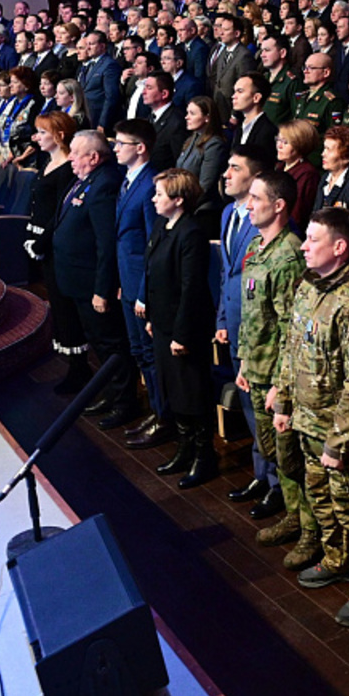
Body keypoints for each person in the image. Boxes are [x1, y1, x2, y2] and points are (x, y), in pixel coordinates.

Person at [272, 208, 349, 623]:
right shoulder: (308, 286)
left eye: (313, 240)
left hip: (337, 433)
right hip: (304, 419)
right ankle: (335, 558)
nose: (303, 245)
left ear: (339, 247)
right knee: (320, 498)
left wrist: (339, 440)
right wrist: (283, 402)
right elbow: (291, 345)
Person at [239, 172, 310, 550]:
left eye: (256, 198)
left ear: (279, 205)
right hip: (257, 368)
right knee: (272, 452)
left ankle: (304, 526)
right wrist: (243, 362)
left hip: (277, 376)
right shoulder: (256, 246)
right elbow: (252, 314)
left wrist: (282, 385)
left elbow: (290, 327)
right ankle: (292, 514)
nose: (248, 205)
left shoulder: (289, 256)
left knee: (291, 458)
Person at [214, 146, 282, 516]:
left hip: (262, 335)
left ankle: (276, 484)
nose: (226, 174)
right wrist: (223, 320)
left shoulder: (273, 234)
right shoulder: (228, 213)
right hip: (236, 323)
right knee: (247, 404)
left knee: (263, 413)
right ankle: (261, 474)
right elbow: (227, 274)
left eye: (235, 168)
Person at [51, 130, 138, 420]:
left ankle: (124, 403)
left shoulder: (104, 185)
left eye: (76, 153)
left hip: (92, 284)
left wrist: (102, 289)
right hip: (76, 281)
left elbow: (105, 243)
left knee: (110, 343)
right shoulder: (86, 181)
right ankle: (111, 395)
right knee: (97, 342)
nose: (70, 158)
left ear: (94, 157)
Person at [141, 169, 217, 484]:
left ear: (179, 200)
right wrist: (151, 318)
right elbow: (152, 270)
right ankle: (185, 449)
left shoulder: (191, 233)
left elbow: (192, 288)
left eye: (160, 194)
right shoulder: (163, 224)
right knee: (174, 390)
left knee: (192, 392)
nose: (154, 198)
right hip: (162, 324)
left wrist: (180, 334)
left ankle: (204, 456)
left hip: (184, 329)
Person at [24, 111, 90, 392]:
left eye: (42, 132)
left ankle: (80, 370)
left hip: (55, 245)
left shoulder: (67, 169)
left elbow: (60, 212)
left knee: (66, 307)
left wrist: (41, 241)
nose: (36, 137)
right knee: (57, 304)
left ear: (60, 135)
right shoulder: (47, 163)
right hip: (40, 241)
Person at [110, 118, 164, 440]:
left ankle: (163, 417)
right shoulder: (128, 179)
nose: (115, 149)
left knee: (150, 354)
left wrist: (144, 291)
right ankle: (155, 412)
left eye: (121, 144)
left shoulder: (150, 185)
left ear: (140, 148)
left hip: (142, 287)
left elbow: (151, 245)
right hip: (128, 282)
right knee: (139, 351)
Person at [173, 95, 228, 239]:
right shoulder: (191, 140)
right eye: (187, 113)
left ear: (207, 117)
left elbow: (206, 185)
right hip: (187, 207)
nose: (186, 117)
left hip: (203, 212)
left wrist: (184, 206)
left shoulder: (214, 144)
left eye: (192, 113)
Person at [314, 125, 349, 224]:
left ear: (346, 157)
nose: (323, 154)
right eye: (324, 148)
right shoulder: (325, 178)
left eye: (329, 150)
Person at [276, 118, 321, 230]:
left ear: (300, 144)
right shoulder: (279, 167)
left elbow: (298, 215)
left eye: (285, 142)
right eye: (278, 140)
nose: (279, 146)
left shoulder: (308, 174)